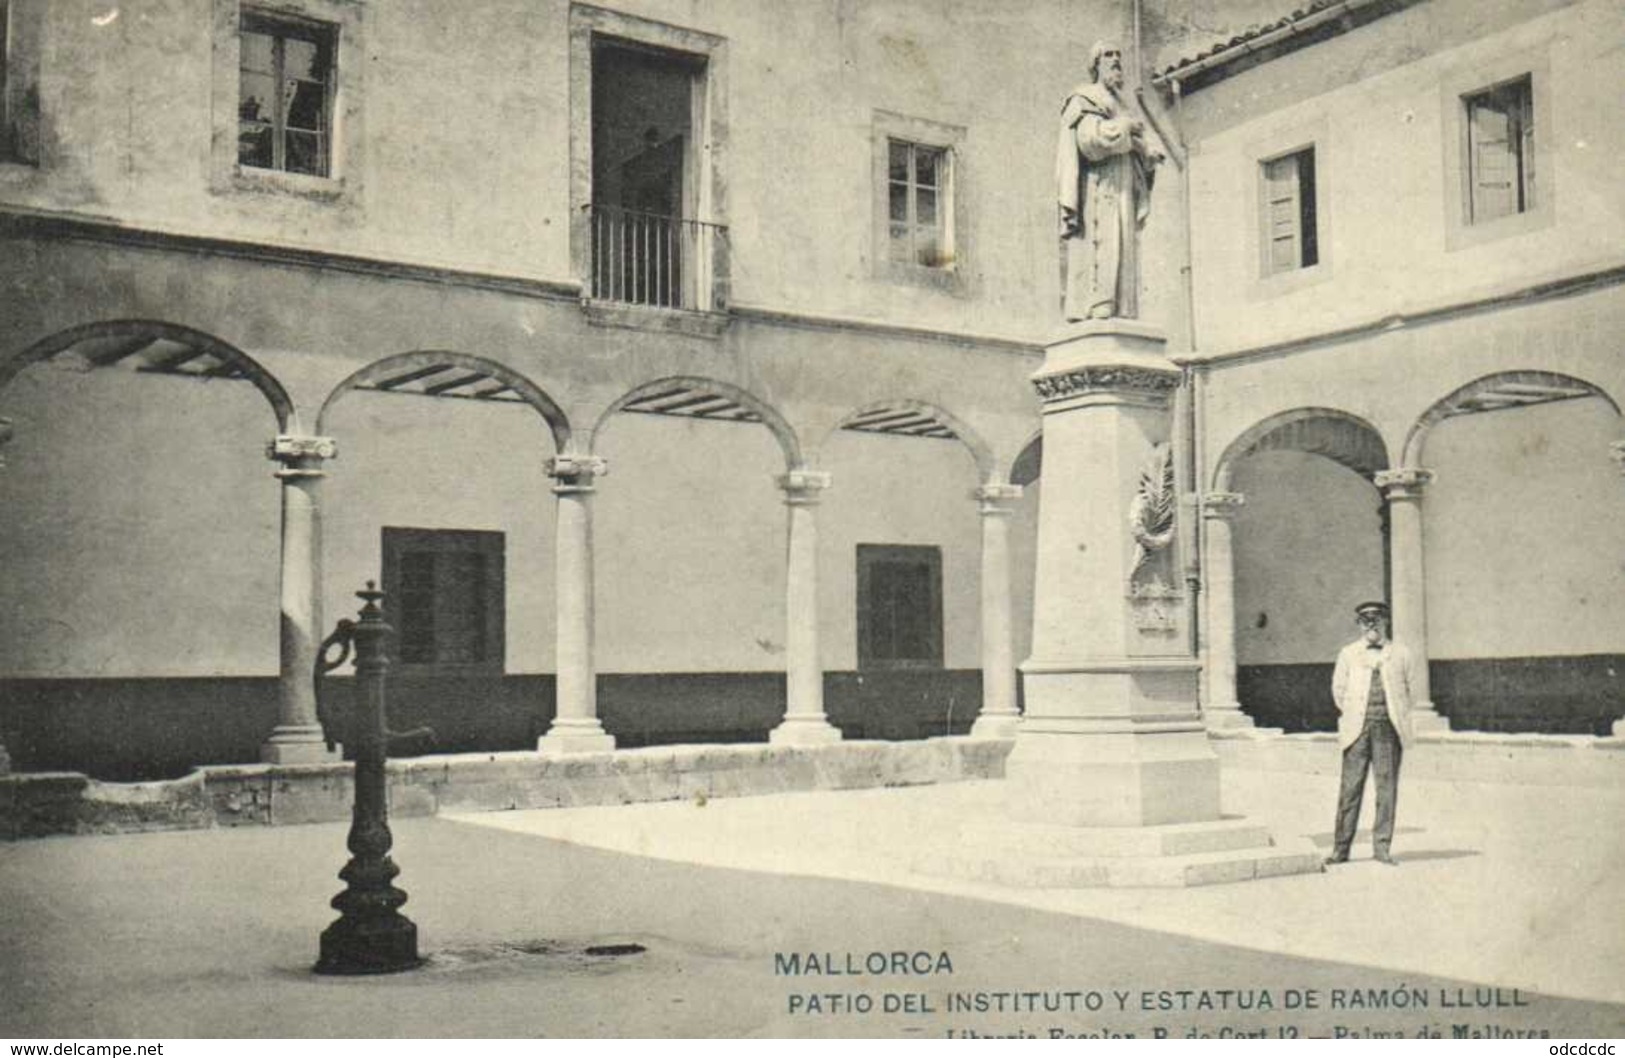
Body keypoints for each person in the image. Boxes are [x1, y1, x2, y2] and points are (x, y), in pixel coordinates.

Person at [1056, 40, 1162, 321]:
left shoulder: (1122, 103)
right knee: (1105, 238)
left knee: (1124, 242)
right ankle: (1099, 302)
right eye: (1108, 55)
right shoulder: (1085, 97)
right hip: (1099, 183)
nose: (1116, 60)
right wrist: (1125, 128)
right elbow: (1089, 141)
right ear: (1096, 64)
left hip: (1125, 183)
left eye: (1118, 55)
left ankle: (1123, 306)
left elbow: (1133, 143)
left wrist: (1146, 152)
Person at [1326, 601, 1417, 866]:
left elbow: (1410, 690)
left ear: (1385, 622)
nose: (1371, 625)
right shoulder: (1348, 654)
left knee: (1386, 789)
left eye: (1376, 619)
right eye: (1366, 620)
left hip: (1388, 729)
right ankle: (1340, 850)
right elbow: (1339, 691)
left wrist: (1393, 715)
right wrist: (1357, 714)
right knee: (1350, 789)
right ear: (1359, 624)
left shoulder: (1401, 654)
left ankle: (1382, 849)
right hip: (1357, 729)